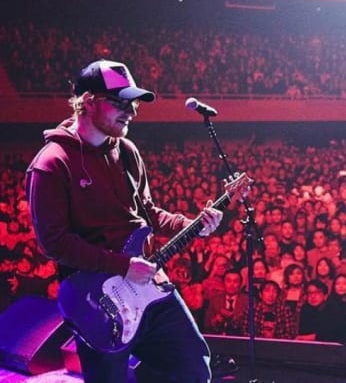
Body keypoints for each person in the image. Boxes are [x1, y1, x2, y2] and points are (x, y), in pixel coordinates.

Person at [27, 60, 224, 383]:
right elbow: (54, 243)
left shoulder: (127, 152)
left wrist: (189, 224)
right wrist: (121, 265)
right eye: (120, 103)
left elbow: (148, 214)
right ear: (89, 101)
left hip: (147, 288)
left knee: (192, 368)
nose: (131, 112)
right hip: (96, 301)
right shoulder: (52, 163)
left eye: (133, 104)